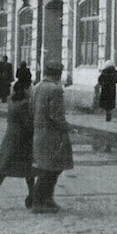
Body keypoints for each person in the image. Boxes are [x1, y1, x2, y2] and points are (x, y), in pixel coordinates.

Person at [0, 71, 36, 211]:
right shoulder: (24, 104)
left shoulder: (12, 101)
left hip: (11, 137)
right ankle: (32, 197)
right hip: (22, 140)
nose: (31, 90)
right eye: (30, 88)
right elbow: (28, 124)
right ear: (25, 89)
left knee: (4, 168)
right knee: (29, 169)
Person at [31, 62, 72, 213]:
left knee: (45, 167)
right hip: (52, 134)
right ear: (58, 74)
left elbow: (31, 109)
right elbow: (56, 114)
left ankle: (45, 200)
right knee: (53, 168)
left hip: (39, 132)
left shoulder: (36, 87)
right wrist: (66, 126)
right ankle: (41, 201)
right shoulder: (55, 89)